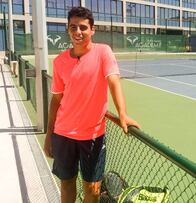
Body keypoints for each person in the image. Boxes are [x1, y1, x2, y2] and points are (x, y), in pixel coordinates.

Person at [43, 7, 140, 203]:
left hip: (93, 135)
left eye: (83, 27)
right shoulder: (60, 61)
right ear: (68, 30)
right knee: (67, 182)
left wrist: (122, 113)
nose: (78, 32)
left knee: (94, 189)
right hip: (63, 134)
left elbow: (113, 80)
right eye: (73, 27)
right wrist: (49, 135)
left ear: (92, 30)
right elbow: (56, 100)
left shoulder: (103, 52)